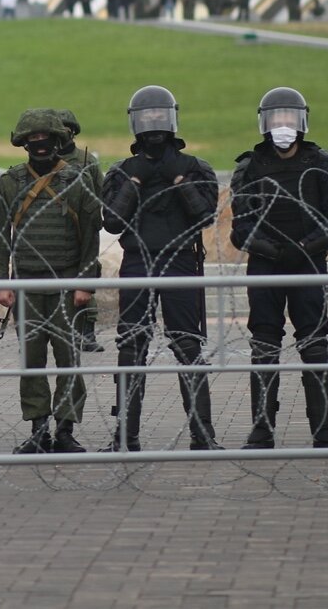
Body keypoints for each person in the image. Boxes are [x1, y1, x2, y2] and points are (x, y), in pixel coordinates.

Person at [98, 86, 220, 451]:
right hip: (138, 259)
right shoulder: (123, 171)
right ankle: (125, 434)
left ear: (171, 120)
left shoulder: (195, 168)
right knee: (131, 346)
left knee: (187, 344)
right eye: (146, 118)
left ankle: (203, 434)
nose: (153, 125)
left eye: (159, 118)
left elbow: (205, 216)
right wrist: (135, 183)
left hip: (181, 257)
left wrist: (181, 182)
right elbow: (113, 222)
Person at [230, 87, 328, 449]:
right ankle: (262, 428)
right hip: (266, 267)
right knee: (264, 344)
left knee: (314, 344)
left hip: (309, 265)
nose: (283, 126)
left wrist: (304, 247)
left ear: (302, 122)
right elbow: (240, 226)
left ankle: (324, 430)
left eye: (289, 119)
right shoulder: (249, 167)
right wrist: (272, 251)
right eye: (277, 119)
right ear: (265, 123)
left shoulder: (322, 164)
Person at [0, 109, 101, 453]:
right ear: (23, 144)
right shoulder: (10, 182)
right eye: (32, 141)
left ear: (58, 141)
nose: (39, 146)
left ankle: (65, 429)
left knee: (69, 359)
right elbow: (1, 236)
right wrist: (1, 282)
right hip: (26, 285)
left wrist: (86, 283)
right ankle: (38, 428)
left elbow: (89, 238)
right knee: (32, 360)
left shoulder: (77, 179)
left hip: (67, 283)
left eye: (46, 140)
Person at [54, 110, 105, 354]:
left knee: (86, 275)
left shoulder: (87, 162)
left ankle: (87, 331)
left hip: (82, 229)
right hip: (54, 229)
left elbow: (100, 193)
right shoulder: (43, 161)